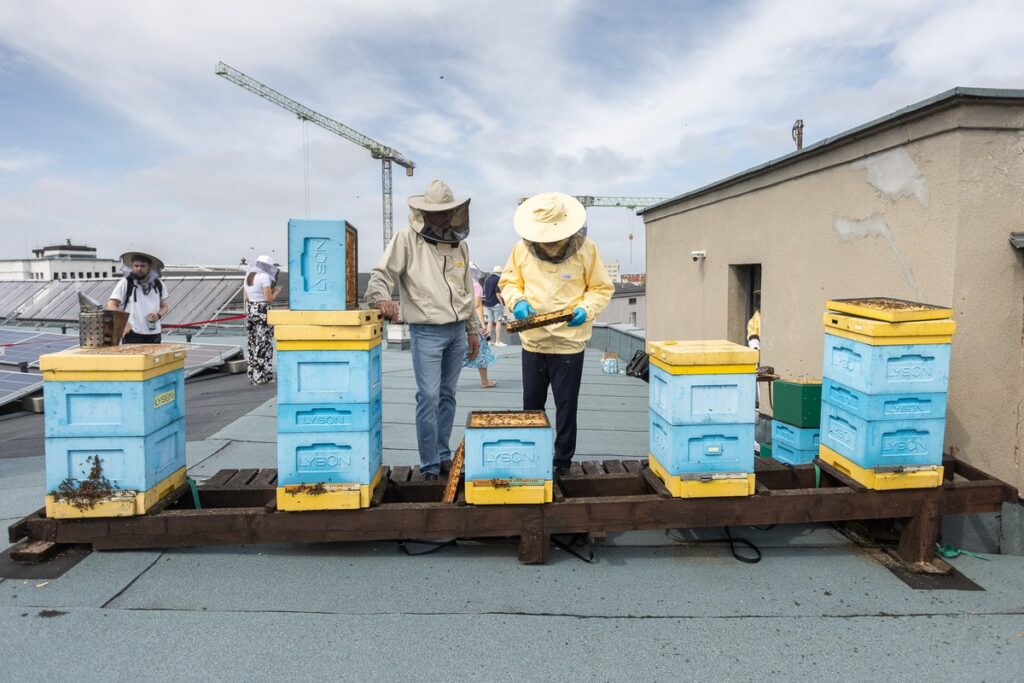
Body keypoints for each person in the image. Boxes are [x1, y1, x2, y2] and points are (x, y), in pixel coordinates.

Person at [365, 180, 480, 481]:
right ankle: (429, 464)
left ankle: (442, 455)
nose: (442, 217)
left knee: (448, 395)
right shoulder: (406, 239)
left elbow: (465, 289)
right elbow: (382, 273)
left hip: (457, 331)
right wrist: (380, 298)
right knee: (428, 396)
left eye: (446, 212)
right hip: (427, 332)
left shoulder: (460, 245)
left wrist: (472, 329)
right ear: (424, 211)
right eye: (436, 212)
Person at [499, 192, 614, 476]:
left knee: (566, 407)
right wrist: (518, 301)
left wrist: (586, 310)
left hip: (569, 344)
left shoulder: (588, 249)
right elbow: (510, 282)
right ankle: (531, 458)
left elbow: (600, 288)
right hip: (533, 343)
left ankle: (562, 462)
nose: (550, 244)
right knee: (532, 406)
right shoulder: (521, 249)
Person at [106, 251, 170, 344]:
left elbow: (165, 306)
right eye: (136, 266)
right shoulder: (126, 282)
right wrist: (124, 324)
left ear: (149, 266)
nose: (139, 269)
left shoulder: (158, 284)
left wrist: (158, 315)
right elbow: (111, 304)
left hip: (154, 334)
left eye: (143, 266)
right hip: (133, 333)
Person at [243, 255, 282, 385]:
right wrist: (276, 291)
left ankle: (253, 374)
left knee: (252, 343)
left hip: (250, 310)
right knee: (264, 344)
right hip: (262, 311)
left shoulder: (249, 277)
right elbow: (268, 299)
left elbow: (246, 298)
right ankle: (263, 376)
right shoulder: (264, 277)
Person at [464, 262, 498, 388]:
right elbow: (477, 305)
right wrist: (482, 325)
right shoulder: (476, 286)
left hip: (459, 320)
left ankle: (443, 382)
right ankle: (484, 381)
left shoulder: (460, 284)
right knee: (481, 350)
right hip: (473, 322)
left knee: (454, 352)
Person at [482, 265, 506, 346]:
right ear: (500, 272)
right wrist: (502, 303)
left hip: (487, 303)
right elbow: (498, 293)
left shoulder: (488, 279)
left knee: (489, 322)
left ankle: (488, 341)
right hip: (496, 303)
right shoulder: (499, 279)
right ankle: (498, 342)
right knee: (498, 321)